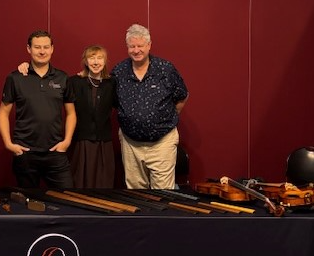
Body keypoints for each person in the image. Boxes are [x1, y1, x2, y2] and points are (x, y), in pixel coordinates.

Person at [17, 45, 117, 188]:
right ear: (85, 61)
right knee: (79, 184)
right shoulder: (74, 81)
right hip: (81, 142)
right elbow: (49, 83)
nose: (96, 62)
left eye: (100, 58)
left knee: (103, 184)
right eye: (91, 58)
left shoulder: (112, 82)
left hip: (104, 143)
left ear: (105, 61)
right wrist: (26, 66)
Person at [111, 24, 189, 189]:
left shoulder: (165, 69)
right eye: (132, 46)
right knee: (136, 193)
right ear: (127, 47)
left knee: (163, 194)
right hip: (130, 143)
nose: (136, 50)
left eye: (140, 45)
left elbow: (181, 96)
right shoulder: (118, 71)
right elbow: (112, 100)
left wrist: (162, 119)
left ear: (149, 45)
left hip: (162, 143)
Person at [0, 30, 76, 188]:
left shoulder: (63, 78)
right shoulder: (16, 78)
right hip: (25, 153)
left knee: (66, 199)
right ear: (28, 49)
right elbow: (3, 114)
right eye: (37, 47)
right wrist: (8, 143)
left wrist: (66, 141)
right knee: (28, 204)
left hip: (55, 152)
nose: (42, 51)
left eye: (46, 47)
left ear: (52, 49)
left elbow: (71, 113)